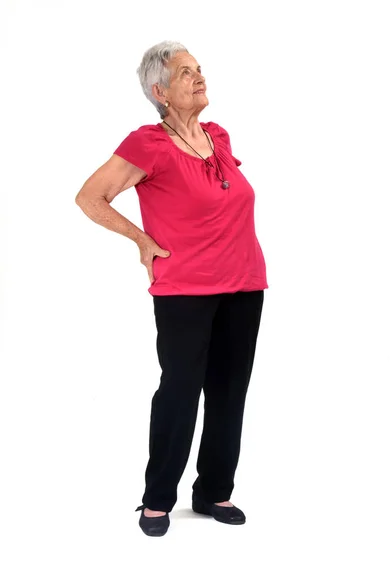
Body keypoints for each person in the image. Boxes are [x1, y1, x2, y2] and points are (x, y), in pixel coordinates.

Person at [75, 40, 268, 537]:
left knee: (229, 392)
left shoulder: (218, 137)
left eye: (199, 69)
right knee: (179, 393)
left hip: (245, 283)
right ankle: (158, 499)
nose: (198, 77)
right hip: (184, 289)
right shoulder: (148, 143)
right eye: (186, 73)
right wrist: (141, 240)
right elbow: (89, 196)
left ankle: (213, 492)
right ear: (160, 92)